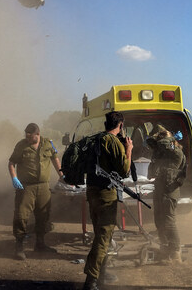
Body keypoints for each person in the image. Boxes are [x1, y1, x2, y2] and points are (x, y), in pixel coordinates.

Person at [82, 111, 132, 290]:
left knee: (101, 236)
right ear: (120, 126)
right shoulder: (114, 143)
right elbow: (125, 171)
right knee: (103, 238)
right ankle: (91, 280)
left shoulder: (96, 140)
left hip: (92, 192)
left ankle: (100, 274)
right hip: (106, 194)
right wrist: (129, 149)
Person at [8, 122, 64, 260]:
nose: (27, 138)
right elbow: (11, 163)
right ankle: (19, 246)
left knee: (43, 215)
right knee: (21, 216)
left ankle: (40, 243)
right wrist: (14, 178)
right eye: (26, 135)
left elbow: (55, 159)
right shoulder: (21, 145)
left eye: (30, 135)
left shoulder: (47, 144)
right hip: (26, 187)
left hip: (43, 187)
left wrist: (62, 176)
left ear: (37, 134)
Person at [146, 125, 186, 264]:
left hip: (170, 190)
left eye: (162, 138)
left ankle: (175, 251)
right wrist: (158, 136)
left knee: (168, 221)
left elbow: (163, 144)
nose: (159, 141)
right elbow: (150, 142)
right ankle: (164, 248)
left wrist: (170, 137)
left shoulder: (176, 153)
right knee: (158, 220)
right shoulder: (161, 152)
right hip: (160, 188)